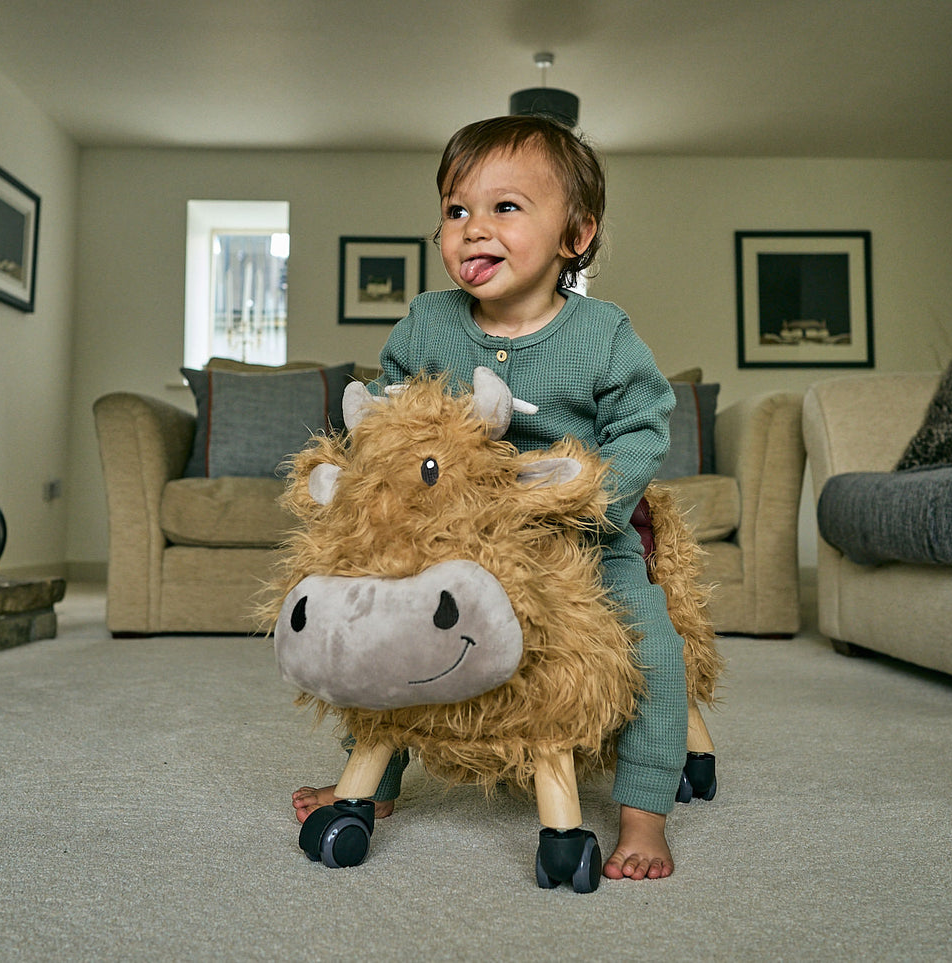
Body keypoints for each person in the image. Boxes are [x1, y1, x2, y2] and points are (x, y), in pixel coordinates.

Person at [293, 114, 688, 881]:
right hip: (451, 537)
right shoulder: (425, 321)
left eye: (505, 207)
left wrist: (591, 501)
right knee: (387, 633)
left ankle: (644, 812)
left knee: (653, 645)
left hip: (576, 536)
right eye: (455, 209)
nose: (473, 229)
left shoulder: (603, 332)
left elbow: (643, 426)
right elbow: (392, 418)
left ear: (576, 234)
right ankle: (373, 784)